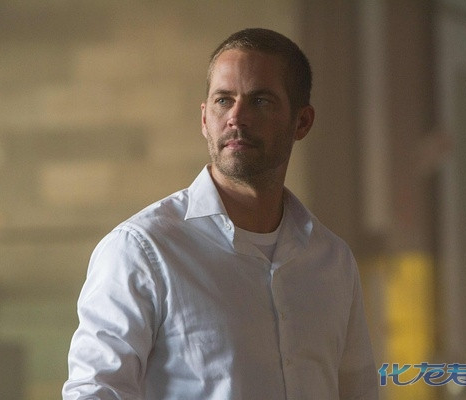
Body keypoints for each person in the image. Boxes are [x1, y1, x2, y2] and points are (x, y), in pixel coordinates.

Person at [63, 28, 378, 399]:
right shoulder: (142, 250)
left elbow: (358, 391)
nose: (237, 117)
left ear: (302, 122)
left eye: (261, 101)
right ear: (204, 118)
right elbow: (95, 391)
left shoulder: (331, 261)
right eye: (223, 100)